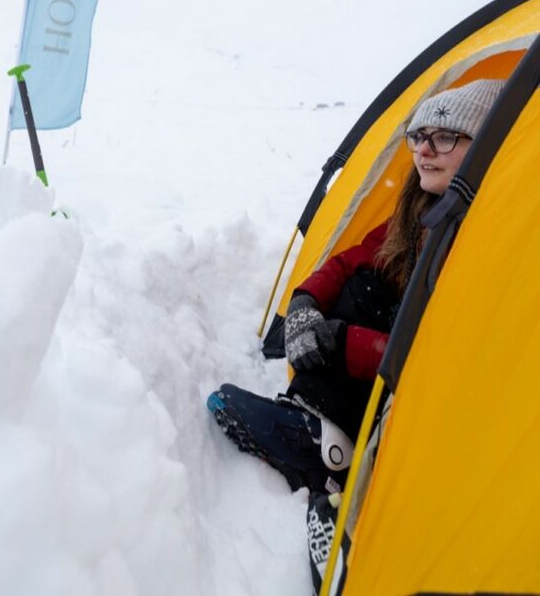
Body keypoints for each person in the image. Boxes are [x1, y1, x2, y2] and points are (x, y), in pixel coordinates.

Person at [207, 79, 505, 494]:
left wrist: (343, 342)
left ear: (487, 147)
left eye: (444, 137)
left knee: (364, 303)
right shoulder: (423, 208)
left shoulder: (490, 231)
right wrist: (305, 302)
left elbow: (439, 353)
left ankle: (329, 448)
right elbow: (356, 257)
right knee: (362, 281)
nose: (423, 151)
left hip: (439, 403)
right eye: (418, 136)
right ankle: (313, 426)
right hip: (395, 367)